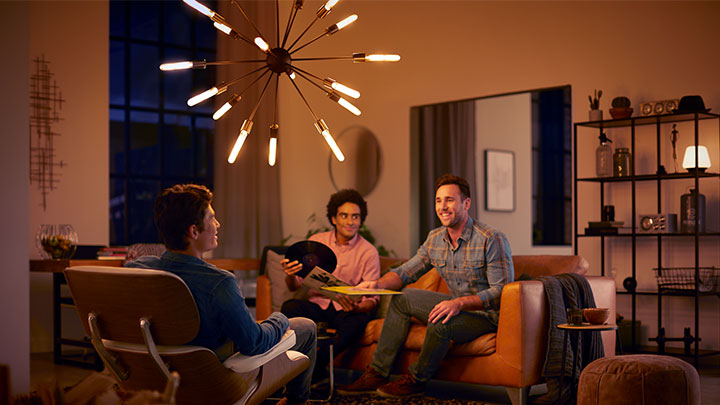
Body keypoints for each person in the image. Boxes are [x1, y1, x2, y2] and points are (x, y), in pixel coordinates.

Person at [125, 184, 316, 405]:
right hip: (217, 381)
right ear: (194, 231)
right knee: (307, 327)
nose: (218, 224)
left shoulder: (137, 269)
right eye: (212, 218)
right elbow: (254, 343)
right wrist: (279, 319)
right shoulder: (219, 282)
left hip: (155, 374)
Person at [337, 174, 514, 398]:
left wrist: (459, 303)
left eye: (450, 200)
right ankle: (377, 373)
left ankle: (416, 380)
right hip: (456, 306)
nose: (443, 207)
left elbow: (501, 292)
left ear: (466, 203)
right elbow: (405, 273)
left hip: (486, 316)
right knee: (402, 298)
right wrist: (376, 284)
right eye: (438, 200)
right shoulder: (435, 239)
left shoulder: (491, 238)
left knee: (441, 321)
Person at [280, 189, 381, 383]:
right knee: (290, 308)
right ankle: (300, 367)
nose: (350, 221)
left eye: (355, 217)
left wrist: (358, 307)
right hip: (318, 306)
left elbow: (373, 299)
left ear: (361, 220)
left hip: (347, 310)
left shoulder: (369, 252)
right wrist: (290, 275)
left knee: (359, 321)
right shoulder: (316, 242)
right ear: (334, 218)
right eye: (344, 216)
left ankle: (315, 366)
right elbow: (294, 286)